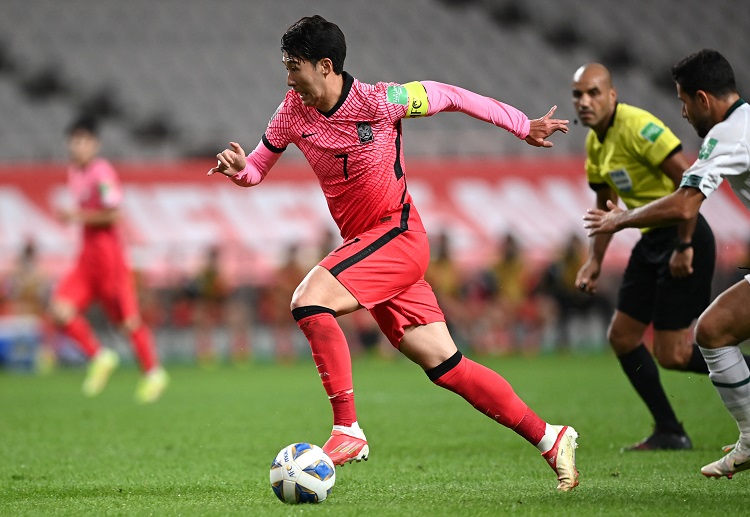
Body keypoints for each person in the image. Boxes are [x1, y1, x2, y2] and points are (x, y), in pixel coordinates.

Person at [208, 15, 579, 491]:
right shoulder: (291, 112)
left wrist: (523, 125)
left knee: (308, 300)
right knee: (448, 367)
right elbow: (258, 167)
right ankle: (550, 437)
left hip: (397, 235)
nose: (288, 78)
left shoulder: (381, 101)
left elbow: (452, 95)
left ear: (325, 66)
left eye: (294, 66)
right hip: (367, 250)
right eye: (285, 66)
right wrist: (239, 170)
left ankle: (348, 429)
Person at [583, 49, 750, 478]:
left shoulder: (722, 134)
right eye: (577, 94)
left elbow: (684, 197)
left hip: (674, 236)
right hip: (649, 241)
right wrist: (595, 259)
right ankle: (676, 428)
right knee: (664, 334)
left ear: (703, 99)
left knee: (693, 341)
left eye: (683, 101)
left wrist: (643, 227)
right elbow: (605, 201)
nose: (682, 111)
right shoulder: (594, 144)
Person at [51, 116, 168, 403]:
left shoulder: (101, 173)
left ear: (95, 144)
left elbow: (115, 213)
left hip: (109, 258)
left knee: (127, 322)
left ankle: (153, 373)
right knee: (59, 310)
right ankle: (100, 356)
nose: (77, 146)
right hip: (86, 258)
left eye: (83, 141)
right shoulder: (74, 172)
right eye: (74, 140)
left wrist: (75, 215)